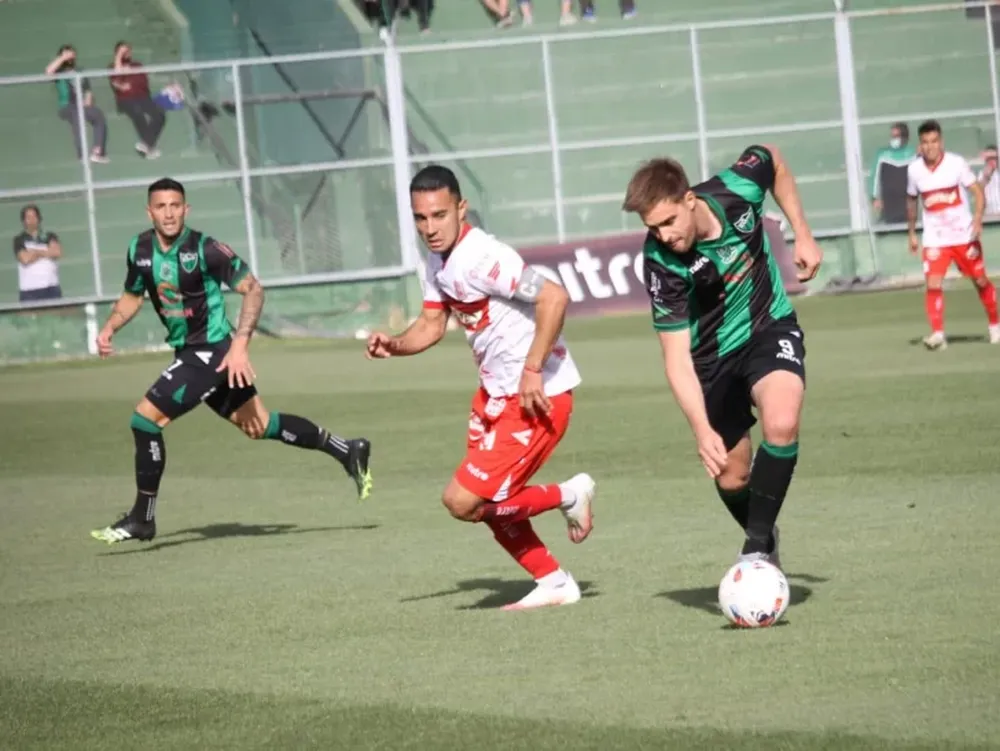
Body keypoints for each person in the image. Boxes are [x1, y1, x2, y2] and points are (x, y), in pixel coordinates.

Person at [90, 178, 372, 545]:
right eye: (161, 206)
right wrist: (109, 327)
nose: (169, 212)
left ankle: (143, 518)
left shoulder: (205, 248)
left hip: (211, 352)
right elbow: (132, 295)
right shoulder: (139, 248)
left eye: (176, 205)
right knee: (260, 425)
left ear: (186, 208)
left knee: (144, 421)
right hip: (192, 353)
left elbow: (253, 288)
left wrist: (239, 346)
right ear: (150, 211)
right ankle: (347, 449)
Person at [365, 165, 595, 611]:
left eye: (439, 215)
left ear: (461, 208)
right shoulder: (438, 260)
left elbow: (554, 297)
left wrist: (532, 369)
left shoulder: (484, 257)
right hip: (494, 397)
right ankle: (553, 582)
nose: (430, 228)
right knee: (483, 501)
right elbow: (432, 324)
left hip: (537, 397)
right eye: (420, 218)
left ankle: (569, 493)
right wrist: (395, 344)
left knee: (462, 500)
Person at [622, 145, 823, 568]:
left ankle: (756, 548)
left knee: (782, 423)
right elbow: (675, 357)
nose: (663, 235)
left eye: (668, 221)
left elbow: (775, 159)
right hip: (710, 361)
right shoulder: (660, 262)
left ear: (689, 199)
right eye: (652, 227)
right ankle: (764, 531)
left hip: (769, 328)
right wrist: (700, 429)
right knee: (733, 476)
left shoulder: (738, 189)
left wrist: (801, 231)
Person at [906, 120, 1000, 350]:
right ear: (921, 145)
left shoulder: (956, 164)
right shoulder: (914, 170)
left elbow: (977, 192)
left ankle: (995, 325)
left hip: (963, 235)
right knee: (933, 283)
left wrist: (977, 220)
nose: (930, 147)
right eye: (926, 142)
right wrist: (911, 232)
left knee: (979, 281)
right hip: (935, 237)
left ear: (941, 142)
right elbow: (911, 199)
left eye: (934, 141)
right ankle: (938, 334)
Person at [45, 45, 109, 164]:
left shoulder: (80, 71)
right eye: (66, 54)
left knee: (98, 114)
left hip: (81, 105)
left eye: (71, 54)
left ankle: (97, 152)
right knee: (77, 117)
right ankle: (82, 155)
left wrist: (88, 101)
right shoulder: (59, 72)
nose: (69, 57)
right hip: (67, 106)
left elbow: (88, 91)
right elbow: (48, 72)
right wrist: (62, 58)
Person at [109, 41, 166, 159]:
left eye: (128, 50)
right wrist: (119, 60)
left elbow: (142, 83)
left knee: (160, 114)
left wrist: (126, 83)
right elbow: (116, 82)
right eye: (123, 51)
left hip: (143, 98)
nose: (127, 53)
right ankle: (150, 147)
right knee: (137, 113)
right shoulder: (112, 67)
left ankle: (146, 144)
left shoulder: (137, 65)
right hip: (126, 101)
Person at [869, 122, 916, 224]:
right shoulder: (882, 154)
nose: (893, 139)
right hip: (888, 204)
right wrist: (874, 197)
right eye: (892, 136)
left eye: (896, 136)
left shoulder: (913, 154)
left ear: (905, 137)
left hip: (908, 205)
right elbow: (874, 177)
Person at [13, 204, 62, 303]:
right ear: (24, 221)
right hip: (29, 291)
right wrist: (46, 252)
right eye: (28, 217)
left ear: (39, 218)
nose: (31, 220)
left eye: (34, 216)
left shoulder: (49, 236)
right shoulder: (19, 240)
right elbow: (25, 259)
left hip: (51, 288)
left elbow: (56, 252)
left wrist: (36, 252)